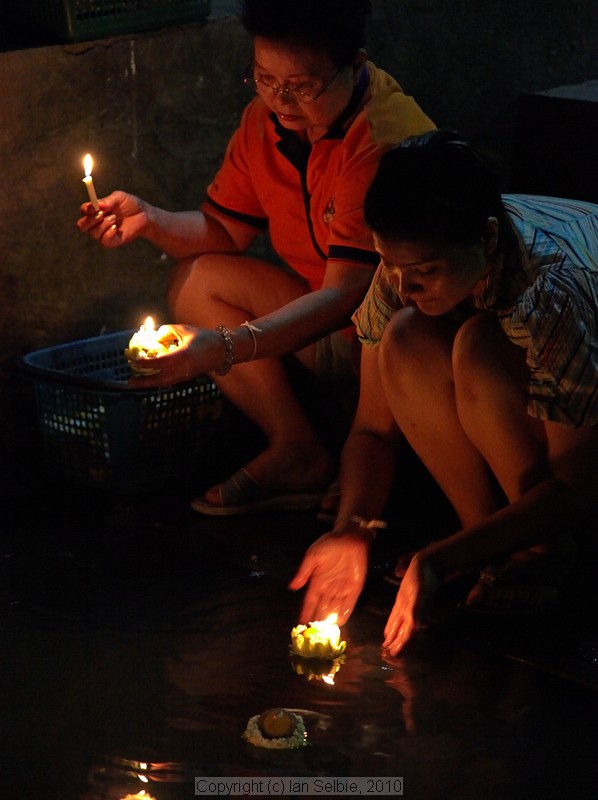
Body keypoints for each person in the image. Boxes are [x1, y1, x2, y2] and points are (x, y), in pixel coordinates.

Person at [76, 0, 435, 516]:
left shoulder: (381, 142)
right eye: (264, 78)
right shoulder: (265, 122)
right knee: (197, 279)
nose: (280, 100)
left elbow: (346, 295)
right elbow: (223, 230)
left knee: (396, 328)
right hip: (331, 323)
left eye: (302, 87)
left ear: (354, 65)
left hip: (400, 339)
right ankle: (297, 449)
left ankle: (377, 468)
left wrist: (223, 347)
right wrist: (149, 219)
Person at [289, 129, 598, 655]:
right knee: (404, 335)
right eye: (391, 264)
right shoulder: (402, 268)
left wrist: (439, 561)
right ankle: (483, 537)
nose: (404, 286)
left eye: (426, 271)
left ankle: (541, 552)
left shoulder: (550, 290)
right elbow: (372, 430)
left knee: (477, 346)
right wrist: (353, 529)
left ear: (488, 238)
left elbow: (578, 485)